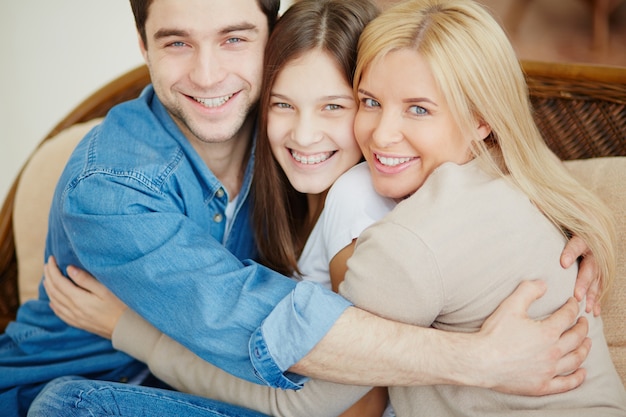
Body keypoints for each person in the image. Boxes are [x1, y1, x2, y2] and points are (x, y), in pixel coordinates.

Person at [0, 0, 597, 416]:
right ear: (142, 46)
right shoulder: (114, 187)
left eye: (233, 38)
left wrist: (573, 227)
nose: (209, 74)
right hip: (95, 380)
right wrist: (482, 359)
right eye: (177, 41)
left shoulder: (351, 175)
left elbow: (480, 134)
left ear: (267, 37)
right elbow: (264, 330)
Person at [335, 0, 625, 414]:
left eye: (418, 109)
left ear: (480, 121)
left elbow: (330, 390)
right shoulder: (497, 173)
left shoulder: (428, 228)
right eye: (369, 101)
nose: (382, 135)